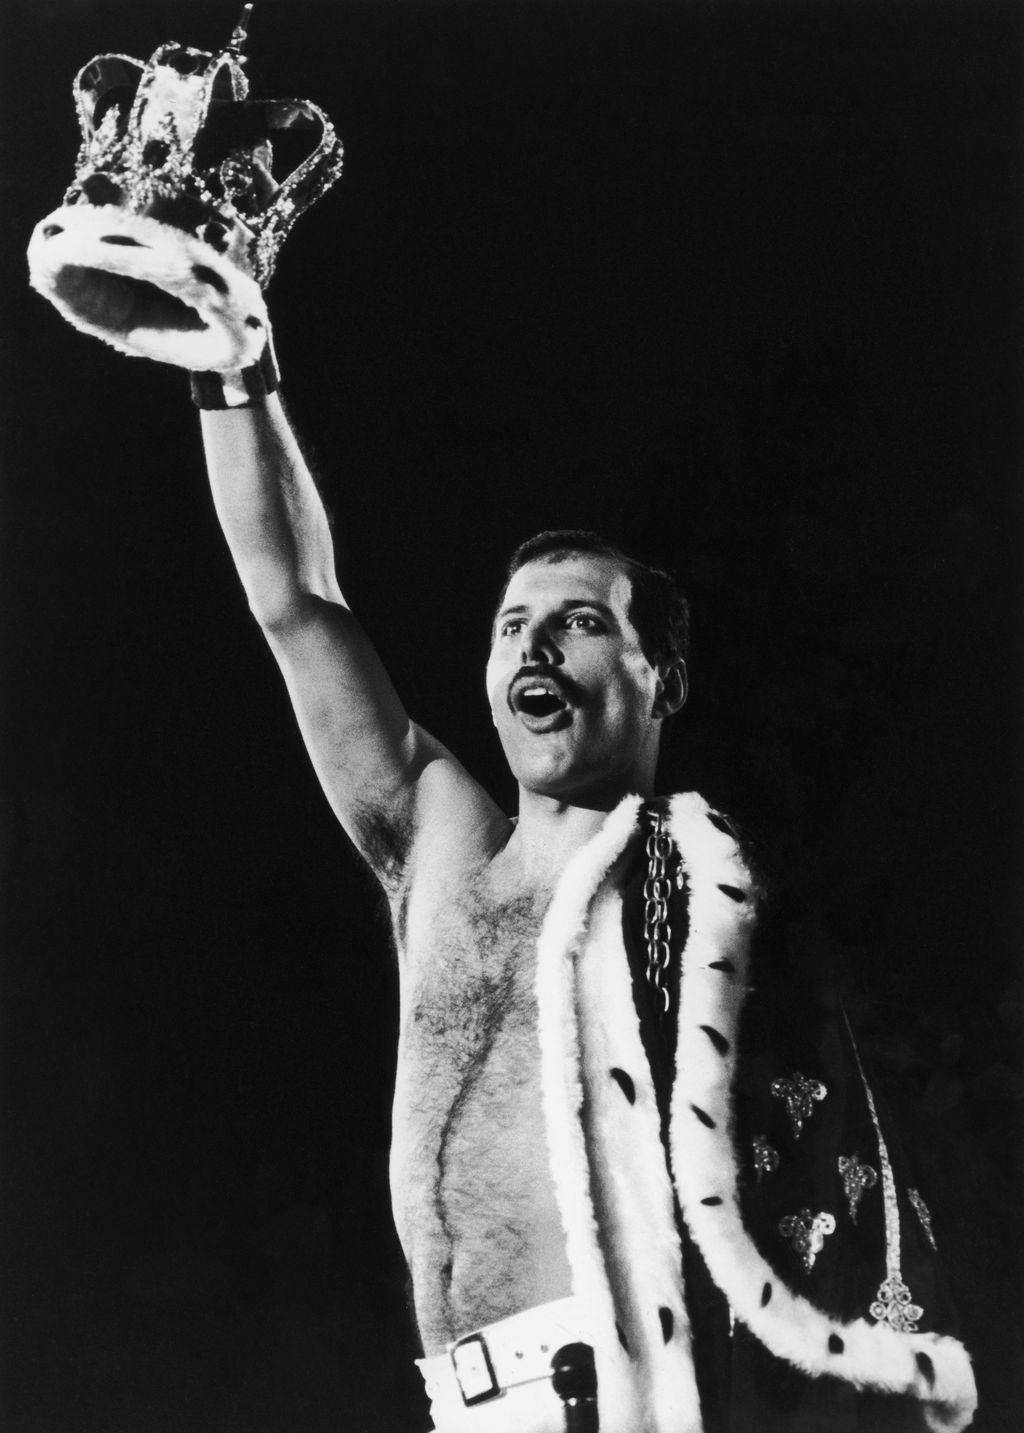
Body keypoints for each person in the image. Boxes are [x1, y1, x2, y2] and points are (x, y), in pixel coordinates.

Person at [188, 345, 977, 1433]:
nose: (537, 644)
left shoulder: (709, 899)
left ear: (665, 680)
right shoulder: (436, 843)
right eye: (514, 624)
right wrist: (232, 366)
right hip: (461, 1402)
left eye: (582, 621)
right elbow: (295, 601)